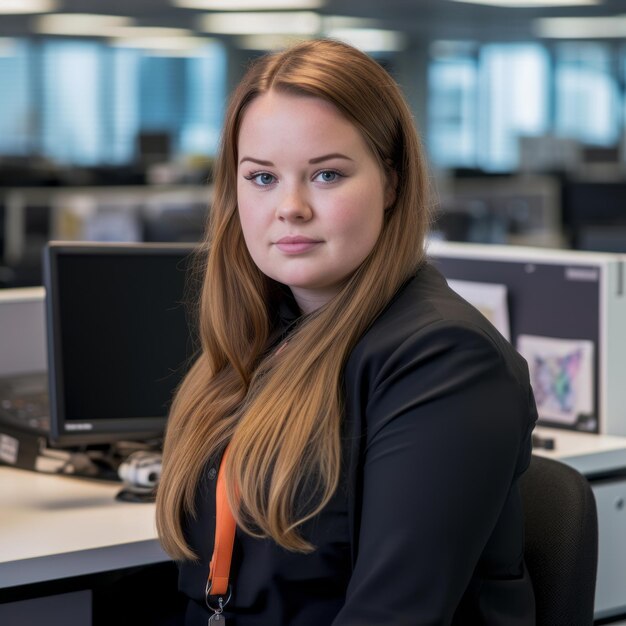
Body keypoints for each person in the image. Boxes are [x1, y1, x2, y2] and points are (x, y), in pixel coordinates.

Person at [156, 38, 537, 625]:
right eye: (262, 178)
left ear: (390, 183)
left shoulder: (445, 361)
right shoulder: (266, 337)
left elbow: (389, 616)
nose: (291, 207)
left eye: (327, 174)